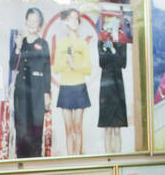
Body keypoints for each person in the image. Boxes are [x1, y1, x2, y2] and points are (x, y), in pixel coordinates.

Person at [10, 7, 51, 158]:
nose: (32, 23)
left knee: (35, 132)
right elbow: (12, 66)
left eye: (36, 21)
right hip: (21, 93)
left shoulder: (43, 44)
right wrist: (18, 48)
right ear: (26, 22)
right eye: (30, 20)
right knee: (21, 132)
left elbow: (47, 70)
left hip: (38, 94)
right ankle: (21, 166)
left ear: (40, 25)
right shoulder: (21, 42)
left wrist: (47, 93)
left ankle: (36, 168)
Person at [52, 8, 91, 156]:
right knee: (68, 129)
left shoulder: (82, 44)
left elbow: (88, 69)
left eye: (76, 18)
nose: (74, 21)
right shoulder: (62, 43)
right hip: (65, 88)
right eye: (71, 18)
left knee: (77, 128)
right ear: (66, 21)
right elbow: (56, 68)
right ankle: (70, 159)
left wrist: (76, 66)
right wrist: (67, 63)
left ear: (79, 23)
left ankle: (78, 159)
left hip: (79, 87)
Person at [97, 24, 128, 154]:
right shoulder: (101, 42)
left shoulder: (122, 41)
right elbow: (101, 63)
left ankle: (118, 156)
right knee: (107, 128)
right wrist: (106, 47)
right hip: (105, 86)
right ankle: (108, 156)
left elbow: (122, 63)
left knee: (117, 129)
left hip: (118, 85)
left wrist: (114, 50)